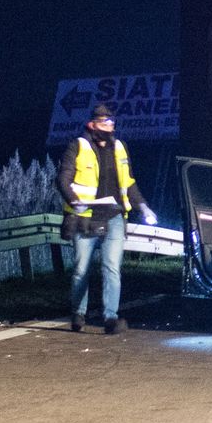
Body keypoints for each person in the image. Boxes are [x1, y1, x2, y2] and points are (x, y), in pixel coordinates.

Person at [58, 102, 155, 334]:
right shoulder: (78, 146)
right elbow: (63, 179)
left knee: (111, 267)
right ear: (91, 124)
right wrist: (74, 201)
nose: (109, 127)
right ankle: (78, 314)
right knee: (81, 269)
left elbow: (129, 182)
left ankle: (110, 318)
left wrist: (143, 207)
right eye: (104, 122)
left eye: (112, 123)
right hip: (86, 216)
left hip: (114, 216)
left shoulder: (120, 148)